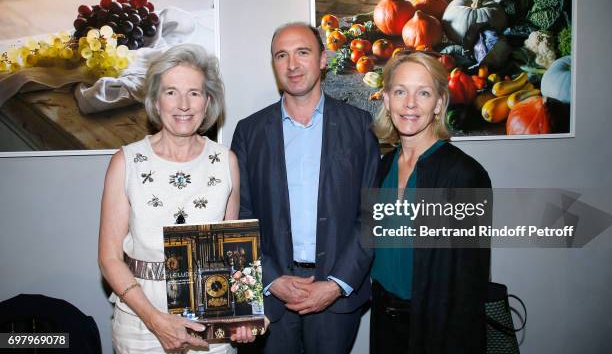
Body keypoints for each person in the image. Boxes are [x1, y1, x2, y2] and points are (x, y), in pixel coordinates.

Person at [230, 22, 379, 353]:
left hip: (336, 292)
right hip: (269, 294)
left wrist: (337, 284)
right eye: (281, 55)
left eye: (303, 52)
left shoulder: (361, 126)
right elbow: (240, 214)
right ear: (274, 65)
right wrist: (270, 278)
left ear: (323, 59)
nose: (292, 64)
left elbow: (371, 214)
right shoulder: (249, 131)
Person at [98, 44, 254, 353]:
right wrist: (156, 320)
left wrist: (243, 314)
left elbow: (233, 253)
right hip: (140, 324)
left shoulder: (226, 161)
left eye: (194, 93)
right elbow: (109, 258)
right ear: (156, 100)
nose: (183, 104)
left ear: (208, 101)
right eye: (171, 92)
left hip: (210, 323)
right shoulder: (126, 162)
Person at [370, 52, 491, 353]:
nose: (410, 103)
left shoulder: (464, 175)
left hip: (436, 329)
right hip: (384, 322)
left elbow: (468, 285)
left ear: (438, 103)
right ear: (386, 100)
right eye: (400, 91)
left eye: (423, 93)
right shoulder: (382, 167)